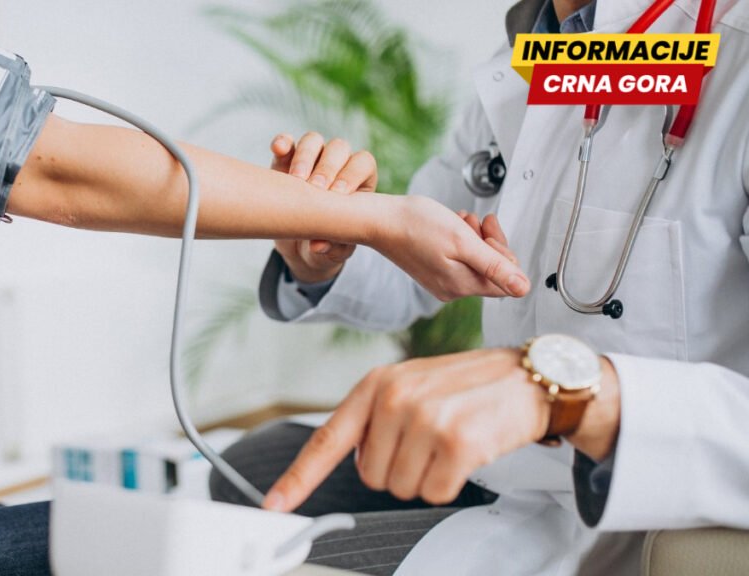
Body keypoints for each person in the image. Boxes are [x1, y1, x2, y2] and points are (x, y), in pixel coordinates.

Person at [0, 1, 530, 574]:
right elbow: (47, 163)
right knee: (218, 504)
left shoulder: (597, 51)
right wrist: (345, 236)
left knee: (193, 536)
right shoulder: (531, 58)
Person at [211, 0, 749, 574]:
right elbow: (417, 265)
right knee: (242, 473)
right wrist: (328, 251)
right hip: (508, 460)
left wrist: (570, 396)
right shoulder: (540, 46)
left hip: (631, 490)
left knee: (264, 561)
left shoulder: (735, 46)